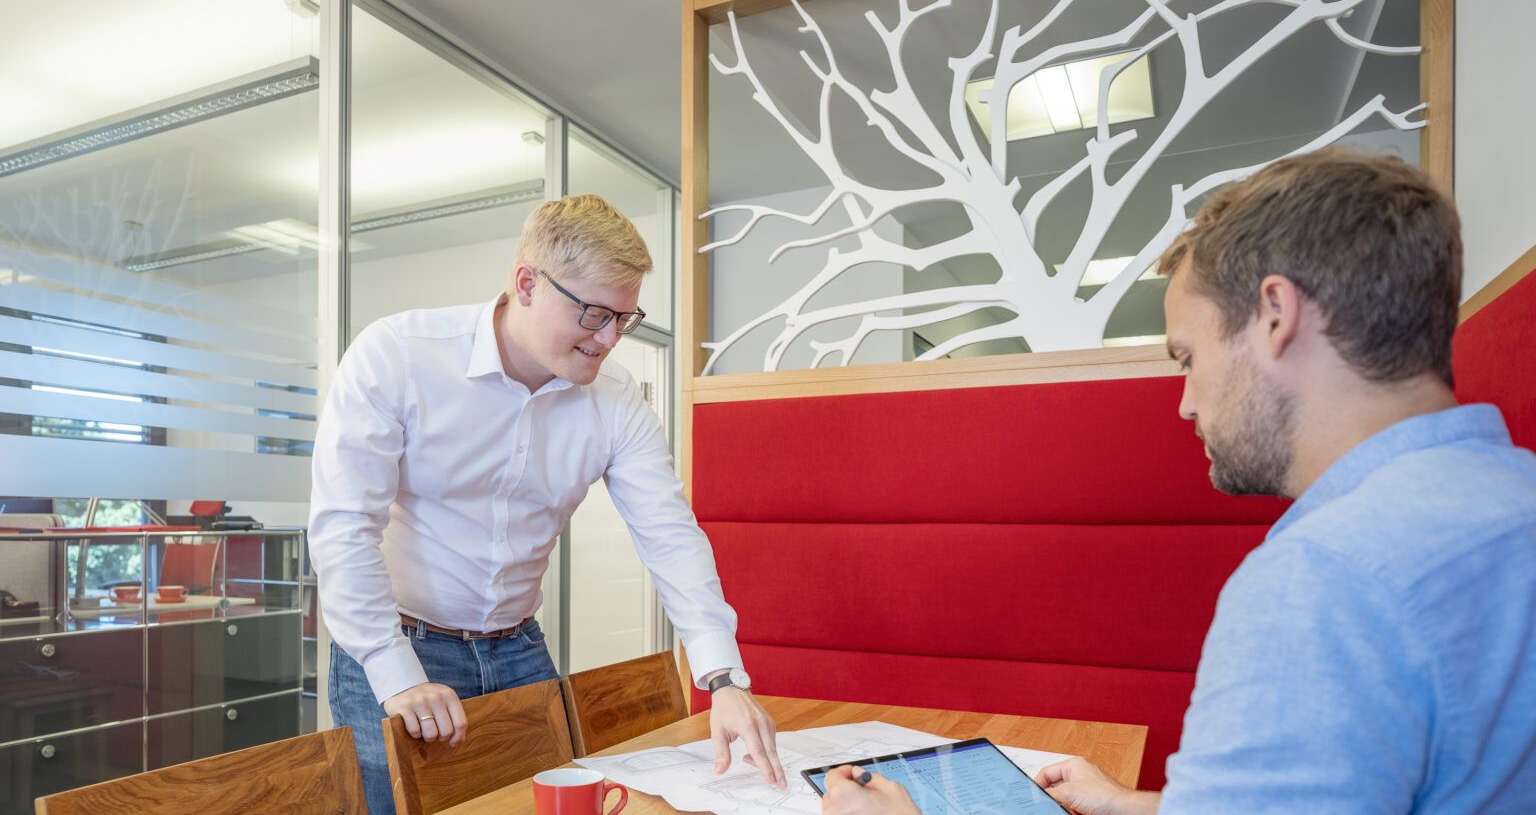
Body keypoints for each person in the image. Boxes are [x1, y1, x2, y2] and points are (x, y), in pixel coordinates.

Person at [820, 150, 1536, 815]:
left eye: (1188, 356)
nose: (1187, 402)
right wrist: (1141, 803)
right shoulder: (1514, 497)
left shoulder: (1324, 579)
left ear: (1275, 315)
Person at [311, 194, 784, 814]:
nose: (610, 338)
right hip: (396, 641)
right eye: (592, 314)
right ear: (527, 284)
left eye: (624, 317)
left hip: (519, 649)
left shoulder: (616, 402)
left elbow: (670, 537)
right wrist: (395, 671)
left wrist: (723, 680)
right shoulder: (399, 355)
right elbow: (345, 527)